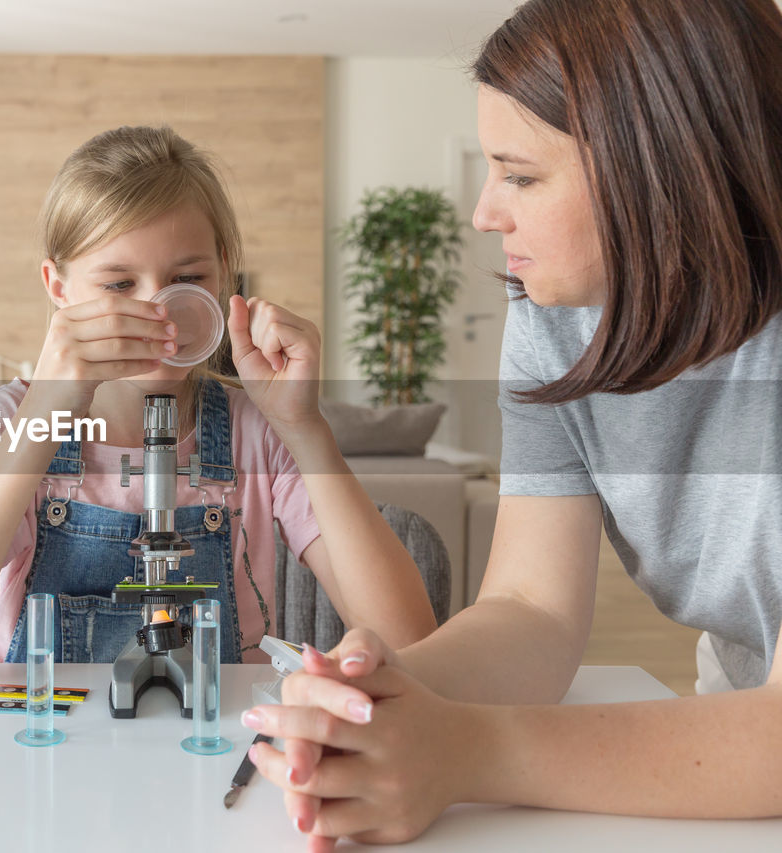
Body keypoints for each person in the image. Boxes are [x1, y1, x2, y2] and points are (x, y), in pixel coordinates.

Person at [242, 0, 782, 845]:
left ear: (660, 169)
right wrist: (380, 692)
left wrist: (467, 748)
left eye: (521, 175)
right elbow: (532, 609)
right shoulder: (555, 322)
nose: (484, 212)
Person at [0, 126, 437, 689]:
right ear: (58, 287)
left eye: (187, 279)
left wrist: (304, 427)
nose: (161, 311)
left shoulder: (258, 433)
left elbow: (412, 644)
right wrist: (42, 417)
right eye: (120, 285)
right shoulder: (7, 421)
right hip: (45, 747)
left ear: (221, 276)